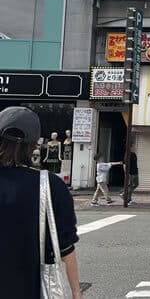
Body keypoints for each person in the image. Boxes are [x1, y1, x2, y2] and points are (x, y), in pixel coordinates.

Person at [0, 106, 83, 298]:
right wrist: (76, 292)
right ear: (34, 144)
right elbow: (66, 246)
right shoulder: (50, 184)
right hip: (31, 288)